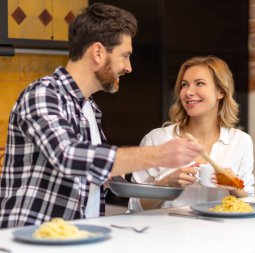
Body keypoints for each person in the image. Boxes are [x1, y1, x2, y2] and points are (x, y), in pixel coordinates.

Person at [0, 3, 203, 228]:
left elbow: (88, 172)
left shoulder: (90, 108)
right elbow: (68, 156)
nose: (129, 67)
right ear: (98, 52)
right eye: (125, 56)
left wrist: (116, 180)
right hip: (31, 239)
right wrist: (160, 155)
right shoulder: (43, 94)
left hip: (78, 237)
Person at [128, 56, 254, 211]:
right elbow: (135, 207)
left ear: (220, 91)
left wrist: (234, 185)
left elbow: (250, 202)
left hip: (220, 233)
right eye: (184, 85)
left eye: (199, 83)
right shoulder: (157, 139)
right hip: (166, 233)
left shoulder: (241, 141)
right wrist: (167, 183)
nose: (188, 92)